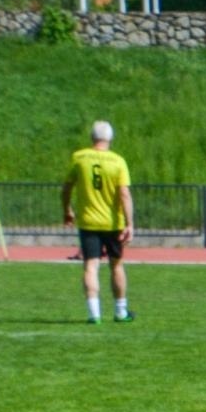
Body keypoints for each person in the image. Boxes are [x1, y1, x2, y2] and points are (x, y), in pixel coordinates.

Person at [61, 120, 135, 324]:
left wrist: (67, 210)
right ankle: (121, 312)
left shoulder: (79, 158)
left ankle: (94, 314)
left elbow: (66, 188)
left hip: (88, 223)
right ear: (110, 139)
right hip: (113, 223)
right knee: (117, 265)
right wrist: (130, 224)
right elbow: (124, 194)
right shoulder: (118, 161)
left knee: (90, 266)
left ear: (92, 138)